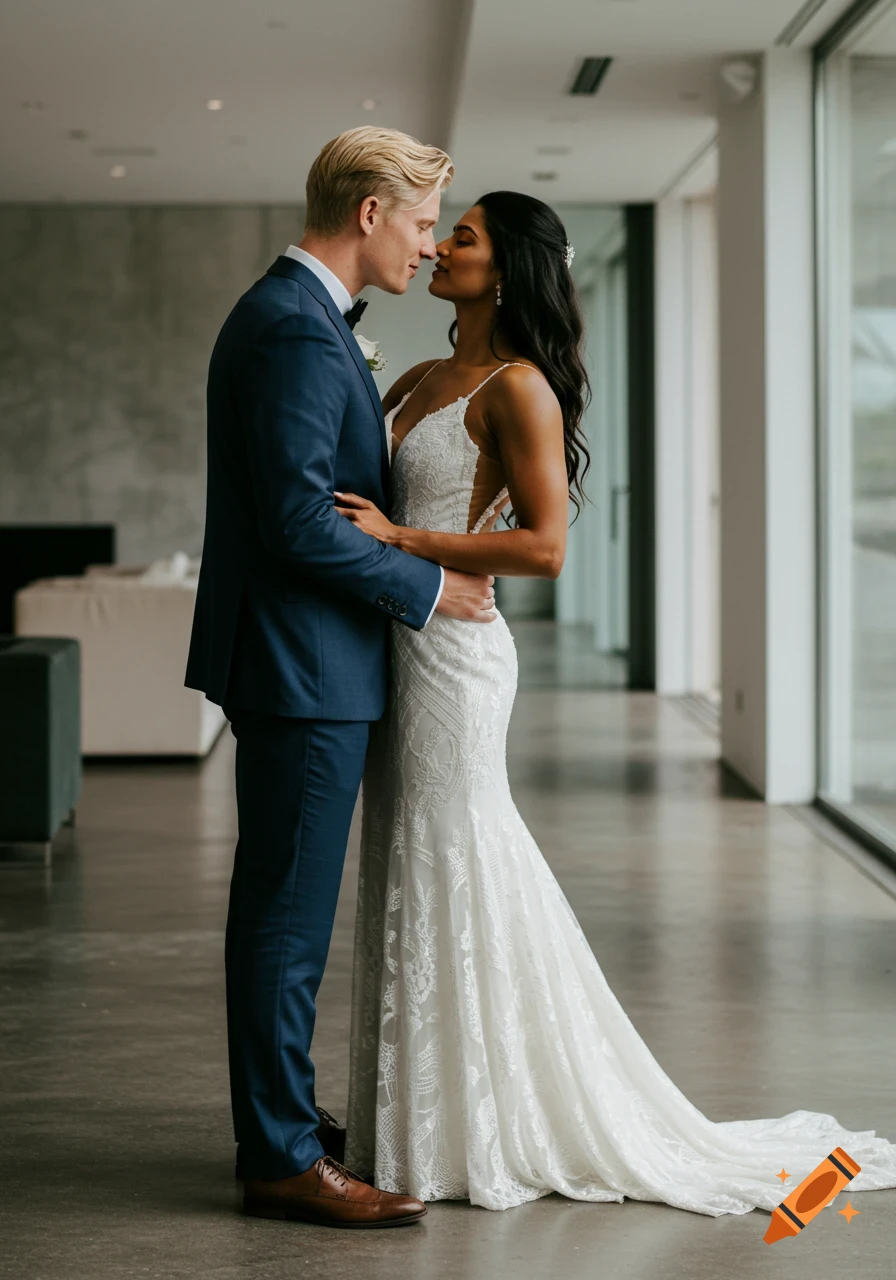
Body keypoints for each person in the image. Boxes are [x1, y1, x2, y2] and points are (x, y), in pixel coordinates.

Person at [337, 190, 896, 1214]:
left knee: (450, 848)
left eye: (459, 237)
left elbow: (544, 545)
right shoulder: (416, 374)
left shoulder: (520, 388)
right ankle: (420, 1112)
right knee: (403, 856)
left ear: (502, 269)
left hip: (453, 656)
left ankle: (480, 1120)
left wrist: (404, 539)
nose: (439, 247)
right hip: (393, 648)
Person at [185, 127, 498, 1229]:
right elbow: (293, 523)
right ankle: (278, 1156)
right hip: (301, 667)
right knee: (283, 919)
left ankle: (280, 1118)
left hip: (303, 663)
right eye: (420, 224)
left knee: (283, 912)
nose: (424, 247)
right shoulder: (291, 330)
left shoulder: (303, 319)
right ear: (369, 214)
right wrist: (429, 587)